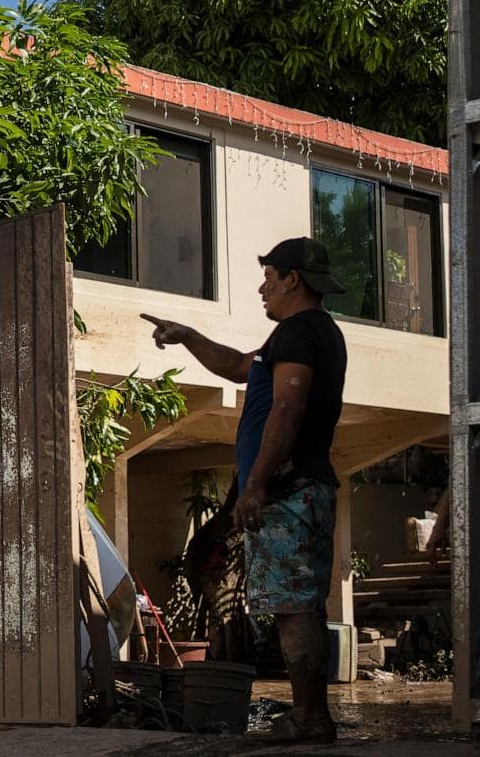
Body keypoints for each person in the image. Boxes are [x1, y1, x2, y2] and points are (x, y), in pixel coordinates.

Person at [142, 237, 348, 744]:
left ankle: (310, 717)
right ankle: (310, 715)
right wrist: (188, 335)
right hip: (296, 487)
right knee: (295, 603)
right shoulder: (300, 336)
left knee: (294, 605)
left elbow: (287, 409)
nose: (262, 288)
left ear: (291, 280)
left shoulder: (302, 333)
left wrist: (255, 484)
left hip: (289, 489)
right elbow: (238, 366)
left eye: (269, 278)